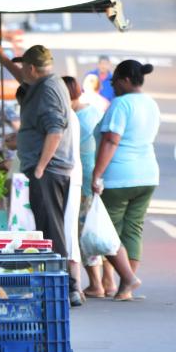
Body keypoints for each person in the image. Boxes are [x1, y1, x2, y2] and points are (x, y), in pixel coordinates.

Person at [0, 43, 82, 306]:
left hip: (50, 171)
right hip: (49, 170)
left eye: (23, 67)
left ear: (32, 68)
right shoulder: (44, 83)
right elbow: (21, 77)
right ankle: (63, 285)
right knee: (49, 227)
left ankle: (67, 288)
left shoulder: (49, 92)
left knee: (52, 229)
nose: (21, 71)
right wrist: (3, 60)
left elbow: (55, 129)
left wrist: (41, 166)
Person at [92, 60, 157, 301]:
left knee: (107, 231)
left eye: (114, 81)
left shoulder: (121, 104)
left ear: (126, 80)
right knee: (133, 230)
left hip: (120, 176)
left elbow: (111, 140)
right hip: (148, 175)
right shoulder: (151, 103)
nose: (113, 86)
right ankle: (124, 287)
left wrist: (97, 173)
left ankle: (126, 279)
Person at [63, 76, 114, 299]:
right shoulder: (93, 111)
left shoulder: (74, 118)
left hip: (83, 180)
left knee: (84, 233)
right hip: (100, 176)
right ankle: (109, 281)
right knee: (97, 229)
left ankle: (95, 284)